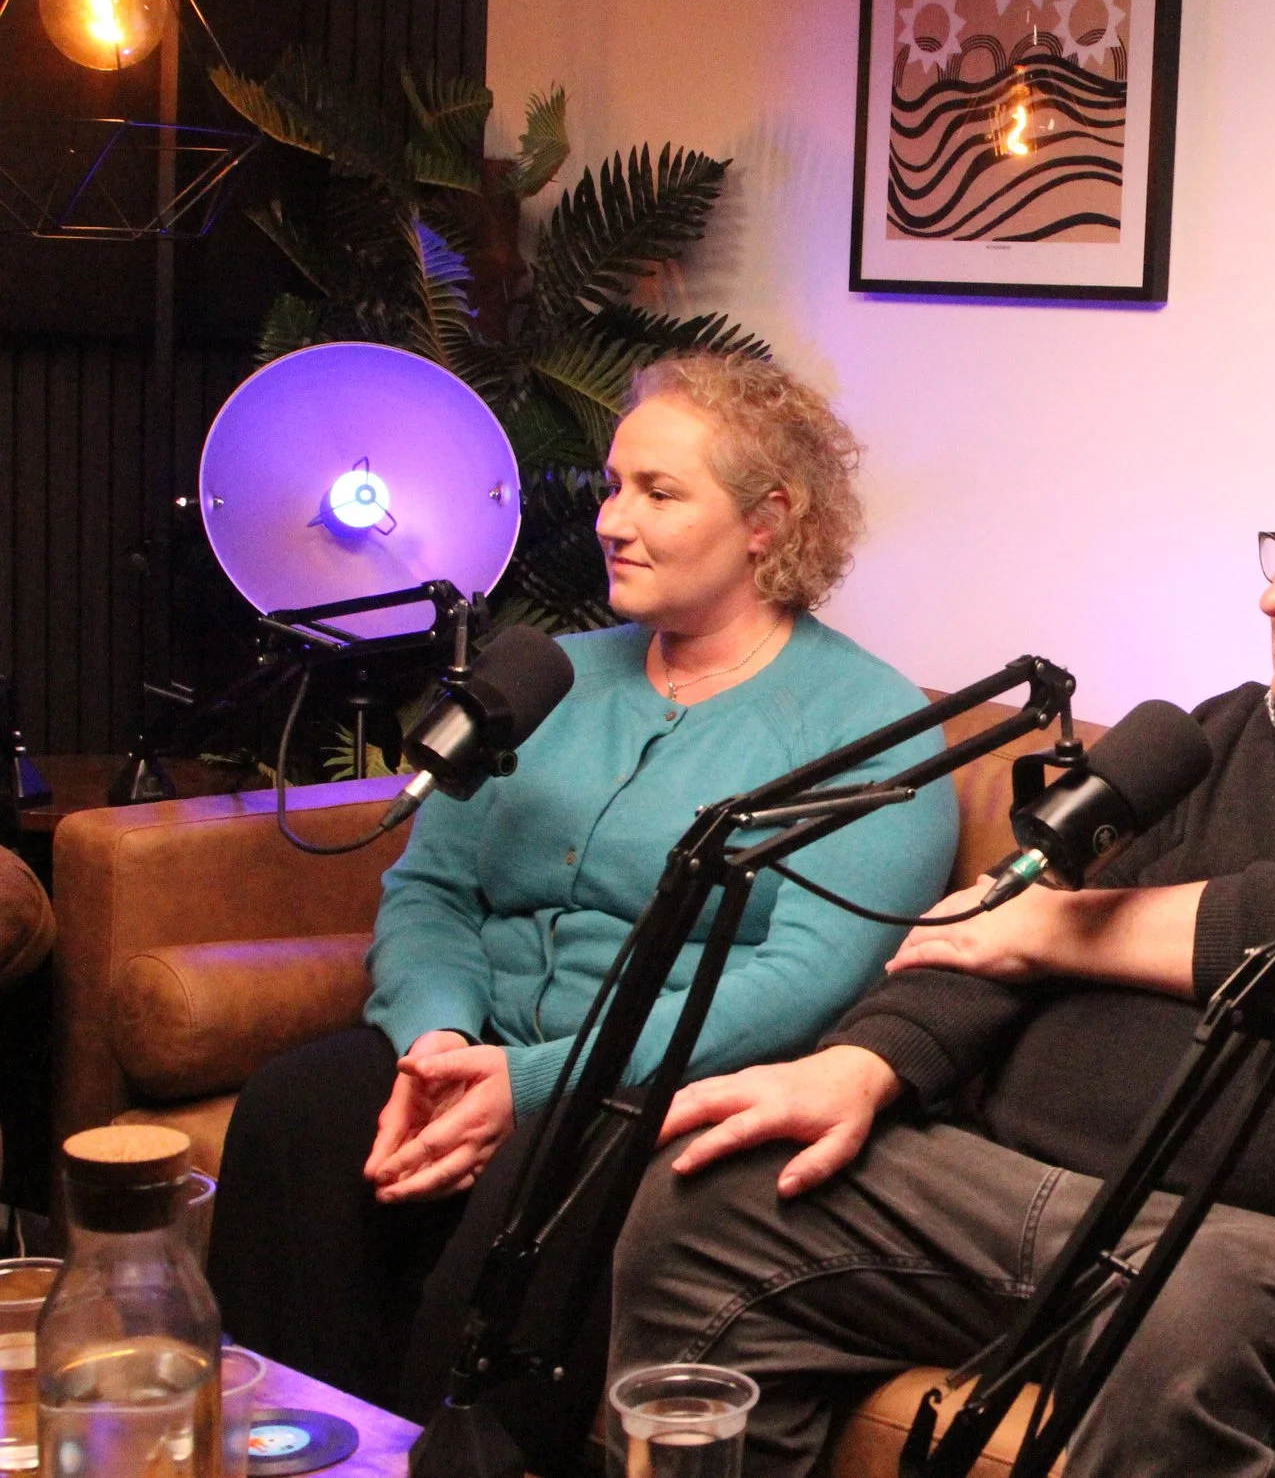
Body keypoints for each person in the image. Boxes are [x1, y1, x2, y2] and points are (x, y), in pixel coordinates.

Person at [608, 427, 1275, 1478]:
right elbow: (1004, 911)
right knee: (713, 1195)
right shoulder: (1208, 737)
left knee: (1182, 1312)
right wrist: (863, 1063)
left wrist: (1058, 928)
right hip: (1030, 1204)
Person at [208, 353, 959, 1455]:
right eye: (614, 485)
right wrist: (435, 1039)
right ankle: (285, 1446)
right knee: (296, 1108)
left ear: (767, 520)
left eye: (659, 492)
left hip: (646, 1095)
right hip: (474, 1044)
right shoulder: (546, 676)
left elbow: (802, 984)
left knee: (539, 1176)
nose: (613, 519)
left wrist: (523, 1082)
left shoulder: (869, 727)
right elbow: (431, 887)